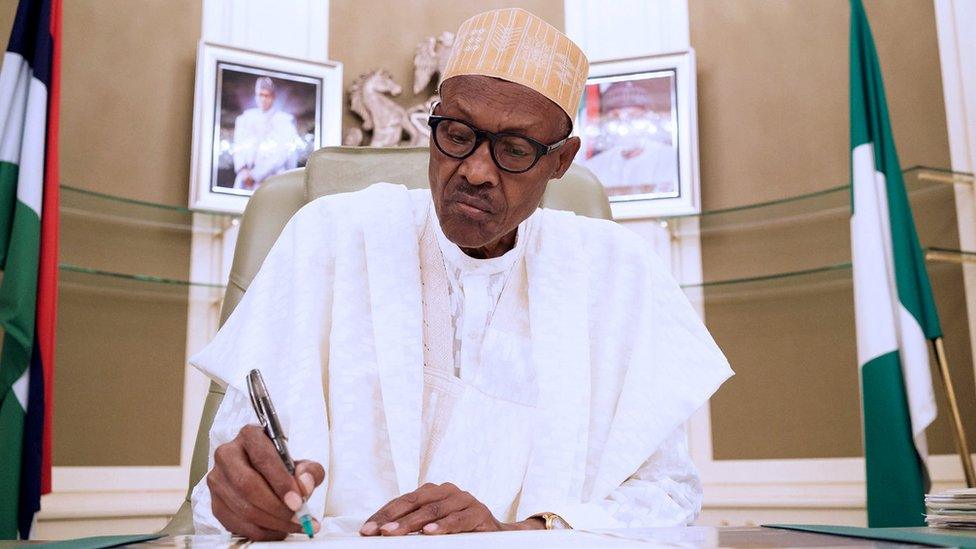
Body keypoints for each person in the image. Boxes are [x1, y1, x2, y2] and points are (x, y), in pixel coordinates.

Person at [190, 8, 732, 540]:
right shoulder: (329, 237)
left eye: (515, 150)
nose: (475, 170)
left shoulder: (617, 273)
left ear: (561, 161)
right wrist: (242, 498)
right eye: (456, 133)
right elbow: (229, 484)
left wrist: (515, 531)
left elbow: (667, 493)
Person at [582, 79, 678, 197]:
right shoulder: (592, 167)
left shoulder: (671, 159)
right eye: (615, 117)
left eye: (633, 116)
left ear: (648, 118)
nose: (624, 124)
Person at [231, 76, 301, 191]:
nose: (263, 99)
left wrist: (255, 175)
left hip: (272, 178)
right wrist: (243, 171)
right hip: (245, 179)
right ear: (256, 96)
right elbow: (238, 146)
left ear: (273, 97)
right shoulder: (245, 118)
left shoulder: (284, 120)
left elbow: (283, 153)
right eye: (260, 95)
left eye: (266, 95)